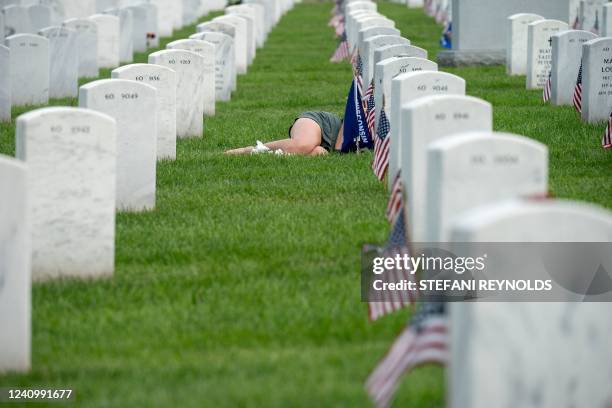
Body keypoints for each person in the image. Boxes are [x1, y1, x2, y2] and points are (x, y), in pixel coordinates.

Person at [225, 111, 344, 156]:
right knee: (304, 144)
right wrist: (339, 152)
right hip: (324, 124)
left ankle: (265, 155)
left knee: (319, 153)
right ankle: (249, 150)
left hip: (328, 148)